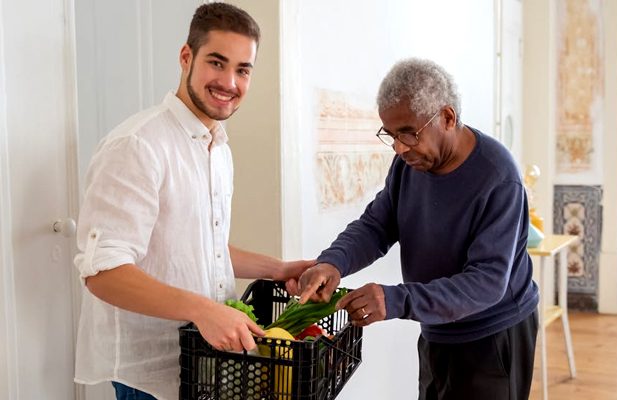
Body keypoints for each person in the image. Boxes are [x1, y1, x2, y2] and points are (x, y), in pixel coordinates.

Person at [72, 4, 314, 399]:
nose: (230, 82)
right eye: (217, 63)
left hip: (207, 365)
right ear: (187, 57)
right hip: (152, 376)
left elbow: (200, 246)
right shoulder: (138, 145)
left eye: (243, 69)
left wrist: (279, 267)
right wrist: (203, 309)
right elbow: (103, 272)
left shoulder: (217, 146)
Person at [297, 58, 540, 400]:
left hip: (493, 338)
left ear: (448, 117)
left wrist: (396, 299)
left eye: (409, 133)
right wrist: (332, 263)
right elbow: (377, 225)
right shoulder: (409, 163)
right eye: (391, 134)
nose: (398, 147)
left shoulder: (499, 178)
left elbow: (486, 282)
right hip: (438, 328)